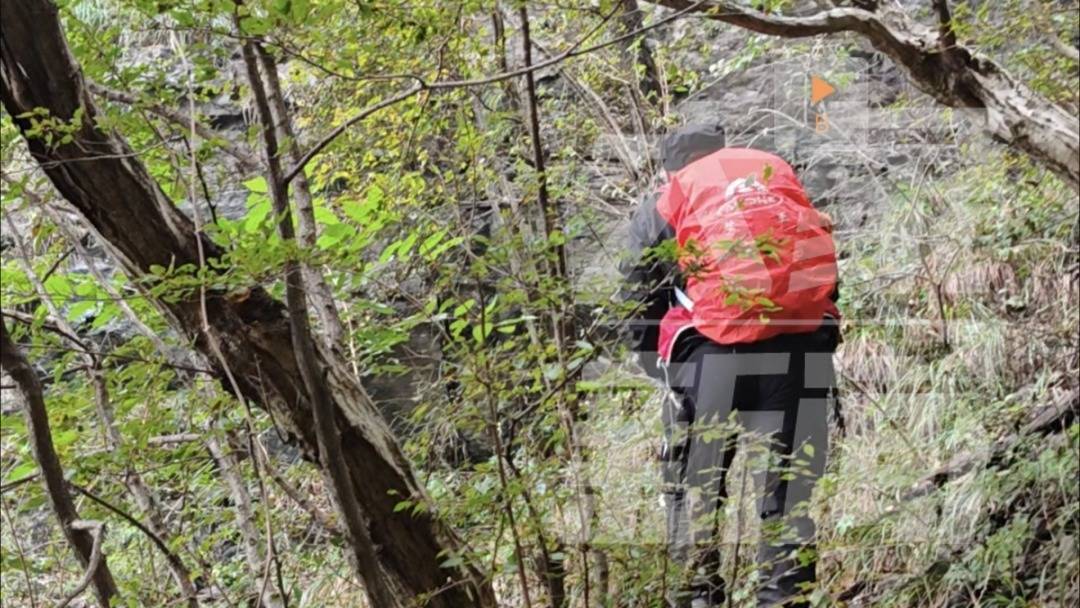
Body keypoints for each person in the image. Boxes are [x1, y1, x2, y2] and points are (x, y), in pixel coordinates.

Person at [620, 124, 841, 608]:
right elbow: (818, 268)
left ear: (669, 169)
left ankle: (698, 594)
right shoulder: (769, 179)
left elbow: (638, 293)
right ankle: (783, 597)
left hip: (709, 359)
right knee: (788, 491)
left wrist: (661, 368)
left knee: (694, 487)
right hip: (796, 351)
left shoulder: (671, 197)